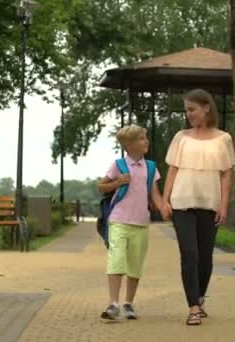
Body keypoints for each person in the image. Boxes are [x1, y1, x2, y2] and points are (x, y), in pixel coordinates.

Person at [162, 89, 235, 326]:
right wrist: (165, 200)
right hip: (182, 202)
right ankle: (193, 307)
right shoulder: (180, 137)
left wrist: (223, 205)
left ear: (206, 107)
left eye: (192, 109)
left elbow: (226, 175)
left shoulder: (224, 138)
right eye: (186, 111)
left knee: (205, 258)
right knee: (189, 255)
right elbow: (172, 170)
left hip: (210, 204)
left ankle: (200, 297)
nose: (189, 115)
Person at [98, 124, 164, 321]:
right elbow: (101, 187)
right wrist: (117, 182)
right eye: (142, 138)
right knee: (116, 260)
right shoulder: (118, 165)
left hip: (141, 223)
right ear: (128, 144)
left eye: (145, 138)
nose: (146, 141)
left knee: (135, 264)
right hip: (118, 220)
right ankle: (113, 304)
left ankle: (128, 303)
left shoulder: (151, 167)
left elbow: (155, 195)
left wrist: (165, 208)